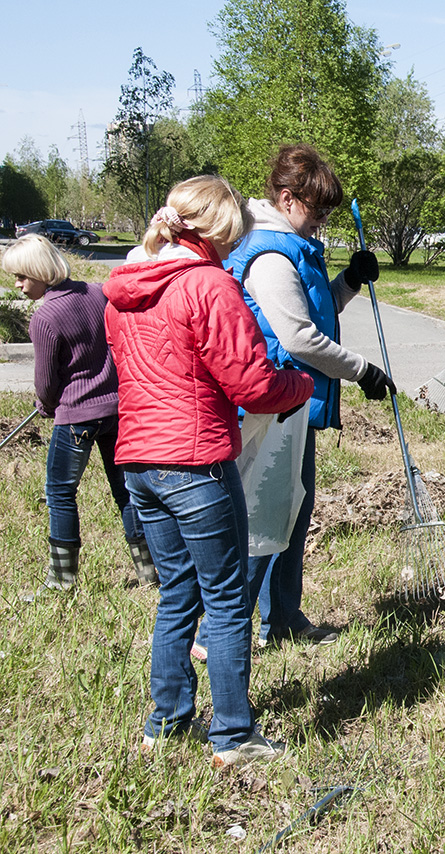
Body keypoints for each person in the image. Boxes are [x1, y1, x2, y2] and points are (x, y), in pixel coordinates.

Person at [104, 175, 313, 767]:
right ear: (221, 230)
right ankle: (233, 736)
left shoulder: (123, 288)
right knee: (224, 601)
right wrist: (300, 384)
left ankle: (165, 723)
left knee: (177, 596)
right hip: (194, 461)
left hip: (138, 462)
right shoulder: (208, 286)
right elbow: (251, 383)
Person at [224, 143, 393, 650]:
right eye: (316, 209)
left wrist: (349, 280)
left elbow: (318, 314)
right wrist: (361, 370)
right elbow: (298, 338)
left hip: (294, 405)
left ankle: (282, 618)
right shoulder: (271, 253)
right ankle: (223, 631)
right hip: (270, 405)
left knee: (293, 508)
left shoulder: (295, 245)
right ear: (286, 197)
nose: (321, 220)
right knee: (265, 513)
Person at [2, 234, 152, 590]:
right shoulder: (98, 293)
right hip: (119, 410)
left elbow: (46, 382)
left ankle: (62, 579)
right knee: (127, 490)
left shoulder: (46, 317)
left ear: (40, 271)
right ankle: (150, 570)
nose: (18, 286)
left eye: (22, 277)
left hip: (76, 417)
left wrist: (46, 405)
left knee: (60, 492)